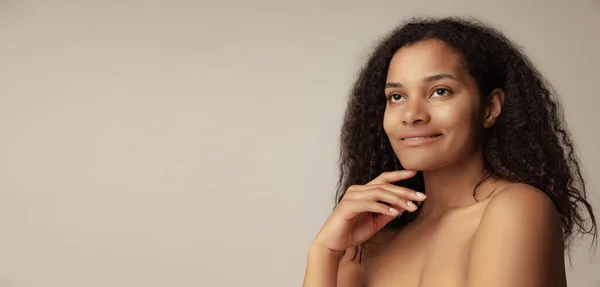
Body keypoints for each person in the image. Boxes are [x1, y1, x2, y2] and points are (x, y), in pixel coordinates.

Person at [302, 16, 597, 287]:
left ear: (490, 108)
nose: (411, 115)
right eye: (397, 96)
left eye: (439, 91)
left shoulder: (516, 209)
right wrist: (324, 252)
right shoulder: (370, 236)